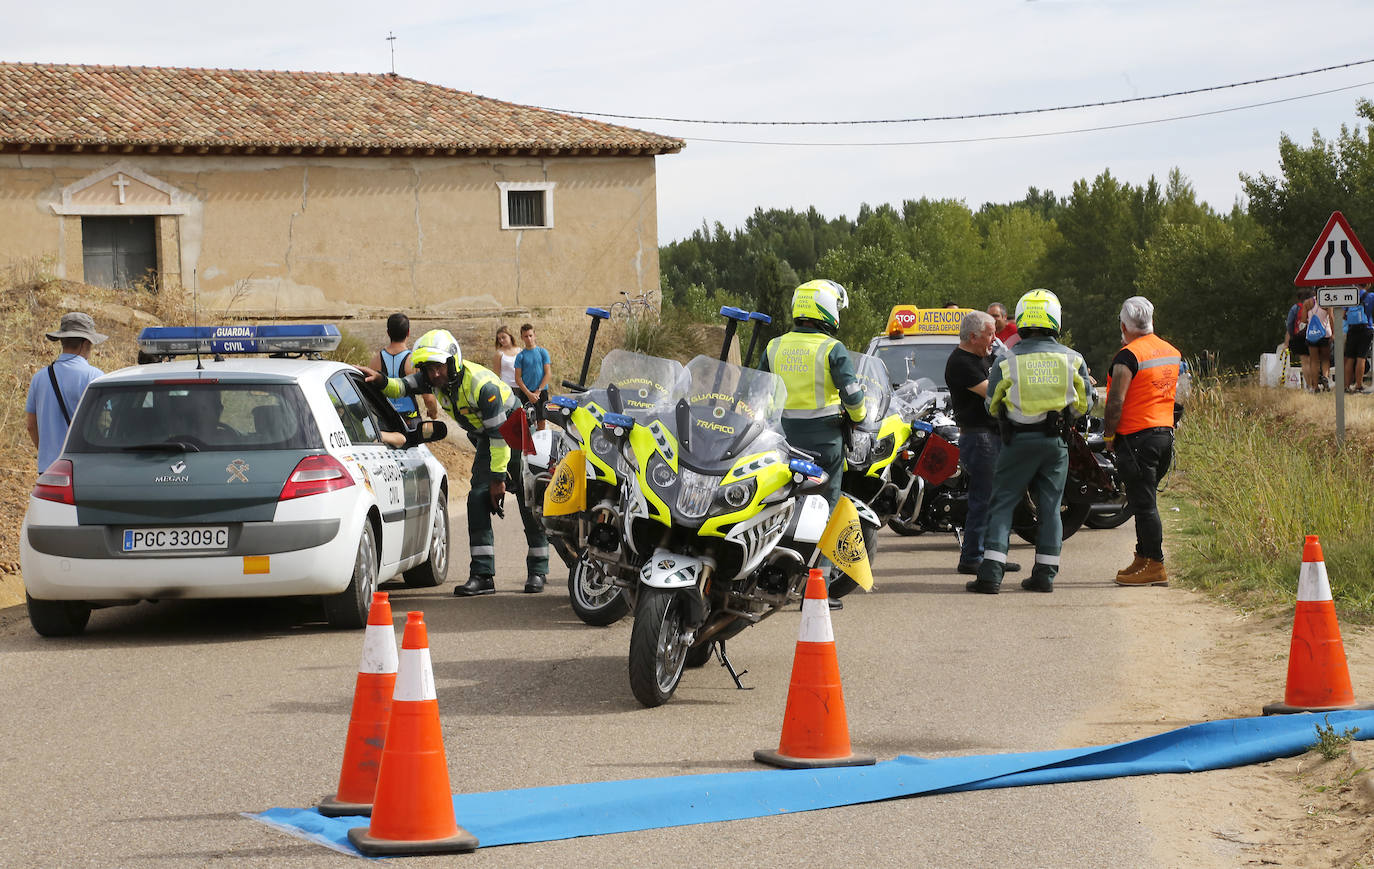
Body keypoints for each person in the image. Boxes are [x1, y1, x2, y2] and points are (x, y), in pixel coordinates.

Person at [361, 329, 549, 595]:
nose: (434, 374)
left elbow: (500, 438)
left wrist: (499, 481)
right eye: (429, 369)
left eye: (438, 367)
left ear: (452, 361)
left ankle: (538, 570)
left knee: (528, 501)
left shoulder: (484, 387)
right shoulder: (434, 380)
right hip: (489, 438)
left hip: (514, 433)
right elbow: (401, 386)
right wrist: (379, 380)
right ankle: (483, 575)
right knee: (477, 499)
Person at [968, 289, 1094, 595]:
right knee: (1051, 507)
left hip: (1017, 442)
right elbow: (1085, 405)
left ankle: (991, 576)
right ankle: (1045, 576)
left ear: (1022, 319)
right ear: (1056, 320)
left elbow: (991, 406)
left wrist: (1015, 413)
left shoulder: (1006, 360)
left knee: (1003, 505)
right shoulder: (1073, 360)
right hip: (1055, 445)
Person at [760, 279, 866, 610]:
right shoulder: (832, 348)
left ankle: (766, 574)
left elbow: (760, 391)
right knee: (826, 512)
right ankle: (815, 586)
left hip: (781, 440)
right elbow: (852, 397)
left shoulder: (774, 346)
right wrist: (860, 415)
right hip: (824, 442)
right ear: (828, 309)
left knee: (777, 504)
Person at [1105, 297, 1181, 588]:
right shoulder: (1170, 351)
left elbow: (1115, 401)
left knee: (1145, 504)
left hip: (1137, 439)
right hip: (1164, 434)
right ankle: (1143, 556)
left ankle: (1155, 564)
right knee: (1142, 500)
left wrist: (1110, 436)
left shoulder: (1128, 356)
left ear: (1124, 325)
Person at [944, 311, 1021, 577]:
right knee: (983, 499)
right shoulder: (961, 363)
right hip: (979, 437)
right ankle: (972, 557)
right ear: (974, 336)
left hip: (993, 435)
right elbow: (995, 392)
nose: (994, 338)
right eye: (989, 334)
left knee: (996, 499)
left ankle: (993, 556)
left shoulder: (984, 357)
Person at [26, 312, 107, 473]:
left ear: (62, 340)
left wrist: (46, 454)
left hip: (49, 467)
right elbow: (105, 423)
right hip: (84, 467)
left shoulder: (39, 378)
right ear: (86, 343)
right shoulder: (95, 377)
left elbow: (30, 426)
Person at [368, 313, 438, 424]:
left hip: (386, 420)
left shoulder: (376, 360)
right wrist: (433, 413)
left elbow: (370, 395)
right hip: (410, 420)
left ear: (388, 333)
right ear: (408, 332)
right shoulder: (414, 361)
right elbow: (428, 398)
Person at [514, 323, 552, 432]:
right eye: (526, 336)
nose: (529, 339)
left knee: (541, 419)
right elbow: (518, 378)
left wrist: (538, 391)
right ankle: (528, 446)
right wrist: (529, 394)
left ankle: (540, 445)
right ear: (522, 338)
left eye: (530, 335)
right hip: (526, 393)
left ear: (534, 335)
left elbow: (548, 373)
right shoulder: (520, 356)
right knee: (527, 420)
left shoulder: (542, 352)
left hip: (541, 391)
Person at [1343, 287, 1373, 393]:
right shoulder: (1370, 296)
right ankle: (1359, 385)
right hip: (1366, 329)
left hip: (1352, 330)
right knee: (1361, 357)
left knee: (1350, 358)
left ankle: (1346, 385)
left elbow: (1343, 315)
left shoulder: (1349, 295)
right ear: (1368, 284)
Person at [1285, 290, 1313, 389]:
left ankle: (1309, 386)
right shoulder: (1315, 306)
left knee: (1305, 363)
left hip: (1300, 337)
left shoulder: (1296, 308)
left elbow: (1289, 323)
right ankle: (1316, 384)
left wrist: (1292, 334)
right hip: (1315, 335)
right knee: (1314, 361)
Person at [1306, 298, 1334, 392]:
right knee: (1325, 359)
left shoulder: (1308, 302)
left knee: (1314, 361)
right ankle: (1325, 377)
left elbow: (1302, 319)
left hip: (1312, 334)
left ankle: (1315, 386)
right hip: (1325, 333)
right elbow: (1331, 317)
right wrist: (1333, 333)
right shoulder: (1327, 300)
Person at [493, 325, 520, 391]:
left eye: (503, 337)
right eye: (499, 339)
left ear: (510, 336)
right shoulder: (499, 354)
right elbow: (496, 374)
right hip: (506, 387)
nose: (501, 340)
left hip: (521, 386)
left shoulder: (520, 351)